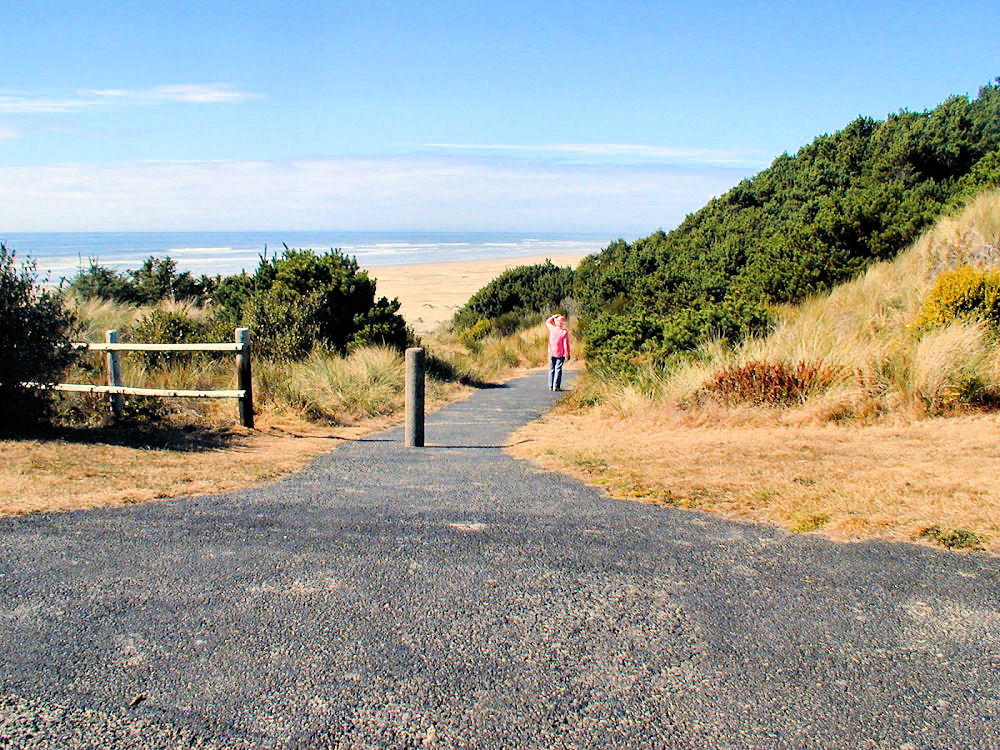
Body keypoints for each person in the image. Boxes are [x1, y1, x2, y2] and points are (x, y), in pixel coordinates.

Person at [544, 313, 570, 391]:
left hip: (551, 352)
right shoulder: (564, 332)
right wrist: (567, 353)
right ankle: (556, 386)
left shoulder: (552, 328)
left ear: (556, 322)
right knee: (558, 369)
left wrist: (553, 316)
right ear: (562, 323)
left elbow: (547, 322)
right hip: (560, 353)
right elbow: (566, 344)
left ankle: (550, 385)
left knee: (551, 369)